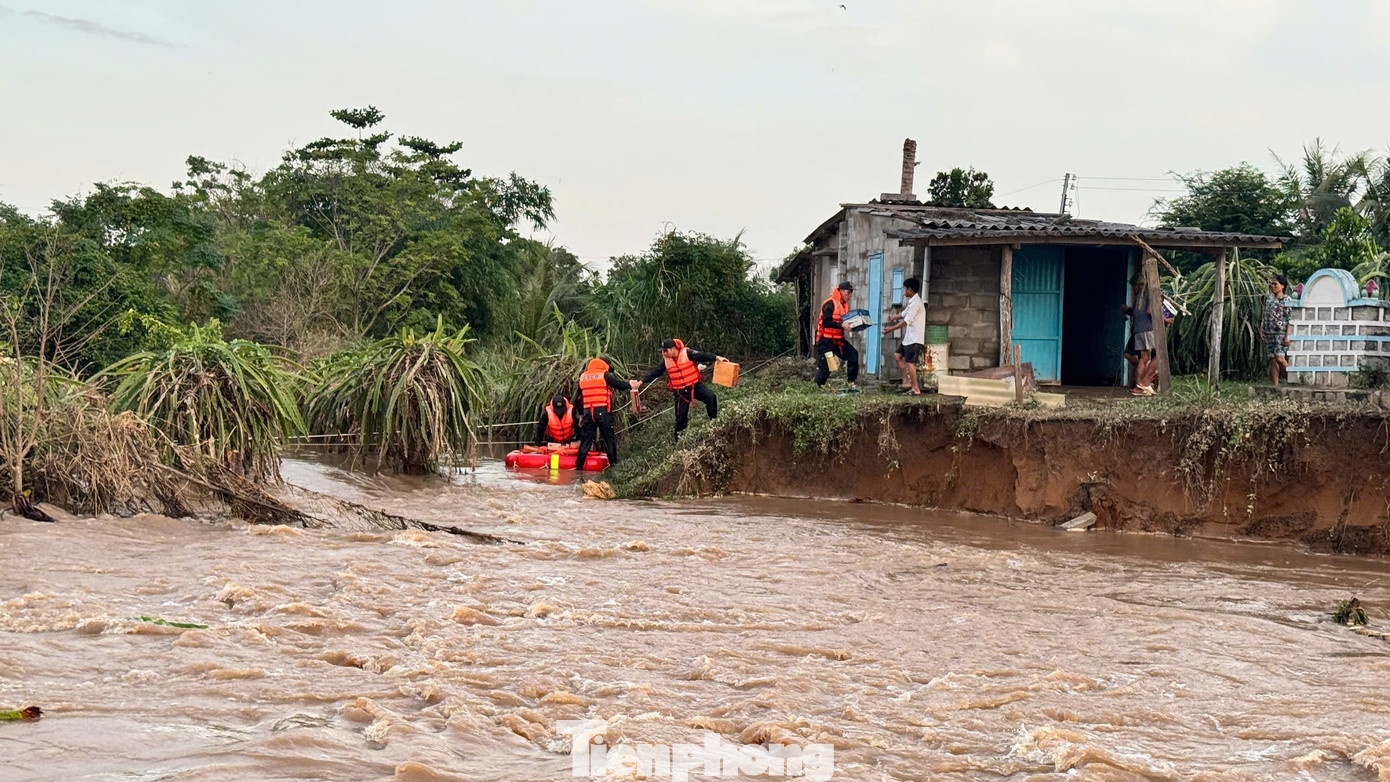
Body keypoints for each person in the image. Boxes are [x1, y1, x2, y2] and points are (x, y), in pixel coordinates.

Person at [635, 338, 725, 440]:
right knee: (680, 418)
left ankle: (713, 422)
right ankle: (678, 440)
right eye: (663, 351)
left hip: (694, 386)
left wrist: (717, 357)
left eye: (666, 350)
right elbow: (655, 372)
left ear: (673, 348)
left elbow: (702, 356)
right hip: (680, 392)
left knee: (711, 397)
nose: (664, 353)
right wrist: (641, 382)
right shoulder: (666, 361)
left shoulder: (687, 353)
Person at [572, 356, 630, 470]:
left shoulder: (583, 377)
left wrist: (581, 415)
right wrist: (631, 384)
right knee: (609, 440)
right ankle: (614, 468)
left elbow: (578, 398)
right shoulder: (604, 375)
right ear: (606, 365)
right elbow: (620, 385)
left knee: (586, 441)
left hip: (588, 413)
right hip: (603, 412)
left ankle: (578, 469)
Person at [883, 277, 926, 395]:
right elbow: (904, 314)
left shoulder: (916, 303)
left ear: (910, 290)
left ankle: (915, 388)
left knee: (909, 362)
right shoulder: (912, 301)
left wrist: (891, 329)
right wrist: (893, 317)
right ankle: (906, 382)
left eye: (905, 289)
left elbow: (906, 321)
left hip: (914, 339)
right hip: (908, 338)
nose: (904, 291)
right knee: (897, 356)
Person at [815, 280, 860, 391]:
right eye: (848, 293)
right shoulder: (830, 303)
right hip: (826, 341)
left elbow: (845, 322)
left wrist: (854, 325)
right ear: (841, 291)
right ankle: (817, 387)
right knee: (826, 368)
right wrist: (842, 325)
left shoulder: (845, 306)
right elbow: (826, 322)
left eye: (851, 293)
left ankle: (851, 383)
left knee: (853, 355)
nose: (849, 296)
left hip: (838, 341)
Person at [1121, 274, 1158, 396]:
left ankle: (1139, 386)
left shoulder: (1138, 297)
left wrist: (1127, 310)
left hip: (1138, 330)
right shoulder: (1149, 293)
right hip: (1147, 329)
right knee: (1160, 356)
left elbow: (1137, 313)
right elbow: (1151, 311)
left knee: (1144, 358)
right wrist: (1165, 319)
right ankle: (1145, 383)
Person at [1262, 274, 1294, 386]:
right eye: (1272, 283)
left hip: (1280, 333)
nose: (1272, 286)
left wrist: (1287, 335)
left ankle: (1293, 378)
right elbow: (1265, 314)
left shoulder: (1287, 300)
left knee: (1280, 358)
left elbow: (1290, 318)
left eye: (1275, 284)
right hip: (1269, 333)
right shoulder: (1269, 299)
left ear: (1282, 286)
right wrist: (1262, 328)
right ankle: (1275, 385)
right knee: (1272, 359)